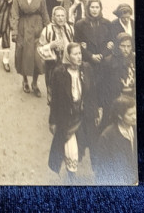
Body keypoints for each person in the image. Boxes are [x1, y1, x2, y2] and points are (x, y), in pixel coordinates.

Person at [48, 42, 102, 182]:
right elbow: (55, 100)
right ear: (68, 56)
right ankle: (71, 177)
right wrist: (53, 120)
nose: (79, 57)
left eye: (80, 53)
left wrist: (95, 112)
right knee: (70, 148)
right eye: (75, 54)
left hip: (85, 115)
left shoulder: (87, 69)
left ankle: (99, 174)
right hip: (67, 117)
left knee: (90, 144)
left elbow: (93, 93)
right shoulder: (60, 73)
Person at [10, 0, 49, 95]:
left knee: (37, 57)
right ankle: (25, 80)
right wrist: (14, 32)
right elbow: (14, 15)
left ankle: (35, 83)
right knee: (23, 54)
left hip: (37, 27)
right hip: (23, 27)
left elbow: (45, 13)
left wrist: (48, 30)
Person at [74, 0, 114, 110]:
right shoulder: (80, 24)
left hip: (103, 61)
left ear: (101, 8)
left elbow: (110, 43)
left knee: (102, 87)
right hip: (88, 61)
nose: (94, 10)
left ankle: (102, 109)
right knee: (89, 87)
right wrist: (91, 56)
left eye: (97, 7)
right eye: (92, 7)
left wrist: (102, 55)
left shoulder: (107, 23)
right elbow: (77, 44)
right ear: (88, 8)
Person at [95, 96, 137, 185]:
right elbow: (101, 169)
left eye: (135, 113)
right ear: (120, 116)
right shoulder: (107, 136)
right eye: (130, 114)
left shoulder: (136, 129)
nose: (134, 117)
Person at [38, 6, 74, 104]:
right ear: (53, 17)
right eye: (58, 16)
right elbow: (40, 48)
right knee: (53, 85)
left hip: (67, 61)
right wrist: (50, 45)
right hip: (53, 63)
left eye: (62, 16)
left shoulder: (69, 28)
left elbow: (73, 42)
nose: (60, 18)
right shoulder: (47, 30)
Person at [101, 33, 136, 129]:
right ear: (117, 46)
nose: (126, 49)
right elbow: (103, 84)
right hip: (114, 99)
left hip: (131, 97)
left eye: (128, 46)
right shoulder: (109, 61)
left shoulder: (134, 59)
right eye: (123, 46)